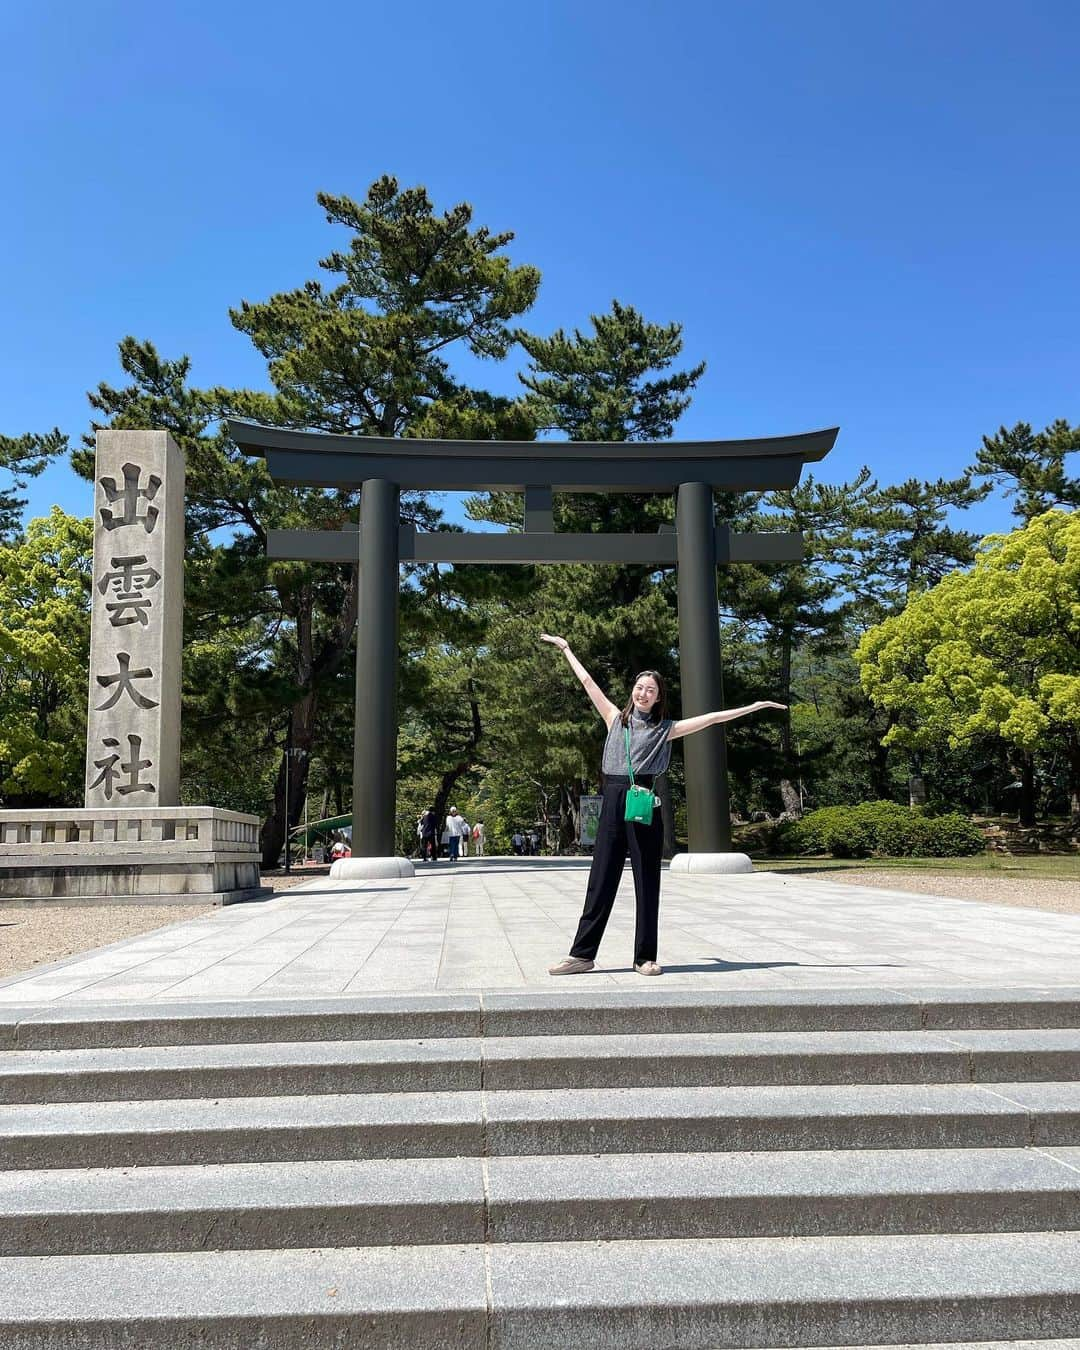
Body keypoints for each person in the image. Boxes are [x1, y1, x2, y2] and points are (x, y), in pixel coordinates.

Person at [540, 633, 785, 977]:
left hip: (644, 801)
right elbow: (586, 681)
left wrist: (755, 706)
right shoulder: (614, 718)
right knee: (601, 879)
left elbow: (713, 718)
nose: (643, 693)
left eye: (650, 690)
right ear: (633, 691)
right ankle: (582, 954)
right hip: (612, 798)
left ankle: (644, 958)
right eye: (640, 688)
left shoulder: (666, 729)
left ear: (658, 698)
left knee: (647, 880)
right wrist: (566, 648)